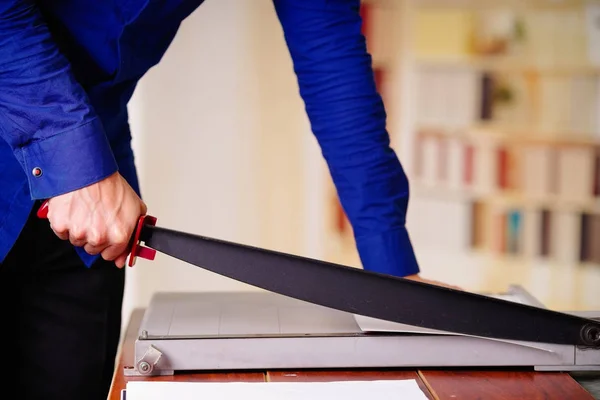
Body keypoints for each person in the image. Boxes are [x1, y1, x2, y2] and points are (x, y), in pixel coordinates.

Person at [0, 1, 452, 399]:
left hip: (95, 219)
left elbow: (332, 58)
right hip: (73, 166)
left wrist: (391, 271)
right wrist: (73, 160)